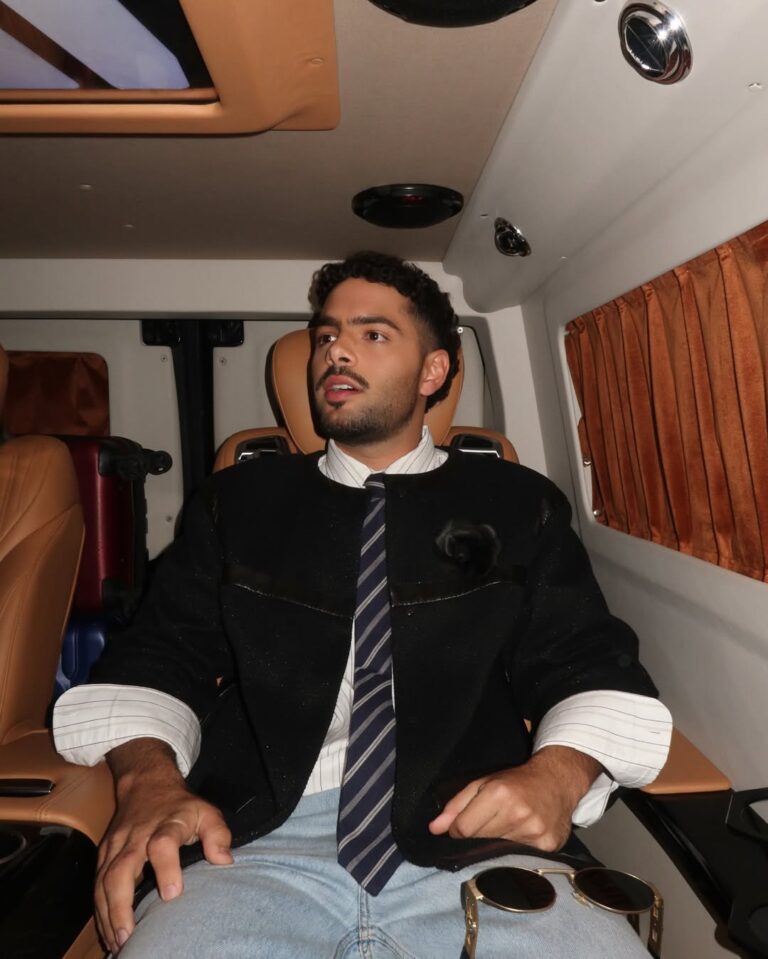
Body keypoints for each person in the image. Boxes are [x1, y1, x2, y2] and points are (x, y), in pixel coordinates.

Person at [53, 252, 672, 958]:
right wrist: (149, 782)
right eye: (325, 335)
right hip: (249, 840)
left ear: (433, 371)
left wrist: (556, 777)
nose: (335, 352)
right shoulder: (239, 504)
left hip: (476, 836)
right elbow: (159, 655)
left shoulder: (518, 503)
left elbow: (586, 657)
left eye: (372, 334)